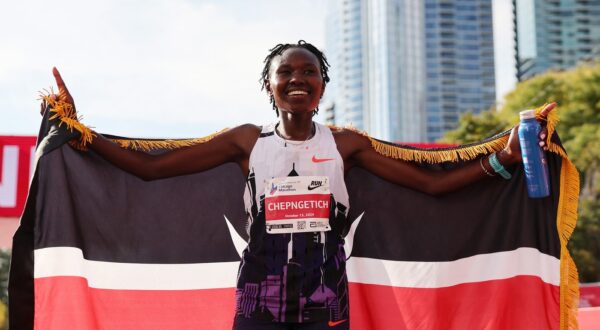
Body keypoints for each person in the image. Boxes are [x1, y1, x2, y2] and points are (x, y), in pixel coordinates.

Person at [44, 40, 554, 330]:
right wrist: (81, 134)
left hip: (324, 306)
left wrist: (503, 158)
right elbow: (153, 168)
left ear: (321, 87)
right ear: (269, 85)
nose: (297, 78)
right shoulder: (246, 142)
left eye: (308, 72)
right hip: (257, 308)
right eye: (284, 71)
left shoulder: (346, 145)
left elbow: (431, 186)